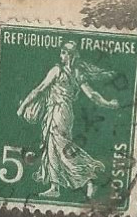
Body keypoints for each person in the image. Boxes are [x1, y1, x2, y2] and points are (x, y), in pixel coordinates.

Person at [17, 39, 122, 199]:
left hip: (58, 112)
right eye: (61, 52)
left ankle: (89, 176)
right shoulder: (78, 73)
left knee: (59, 146)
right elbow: (92, 95)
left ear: (69, 54)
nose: (61, 55)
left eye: (63, 52)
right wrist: (108, 104)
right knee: (54, 147)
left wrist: (23, 106)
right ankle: (55, 186)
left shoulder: (57, 70)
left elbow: (39, 89)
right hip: (65, 113)